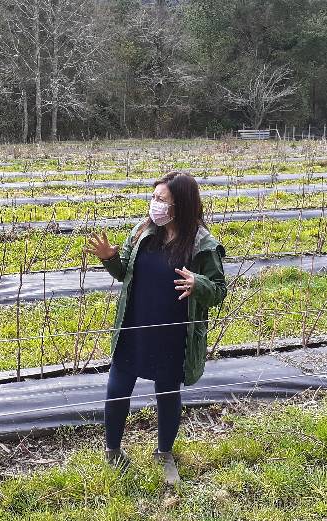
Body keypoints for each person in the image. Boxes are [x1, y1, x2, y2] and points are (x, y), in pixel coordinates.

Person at [84, 171, 227, 486]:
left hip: (173, 333)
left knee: (167, 393)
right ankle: (113, 452)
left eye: (162, 200)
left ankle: (164, 454)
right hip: (134, 326)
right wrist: (109, 259)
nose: (154, 205)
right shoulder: (142, 233)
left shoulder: (203, 245)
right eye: (154, 197)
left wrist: (198, 283)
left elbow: (219, 290)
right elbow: (124, 273)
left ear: (181, 206)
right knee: (117, 390)